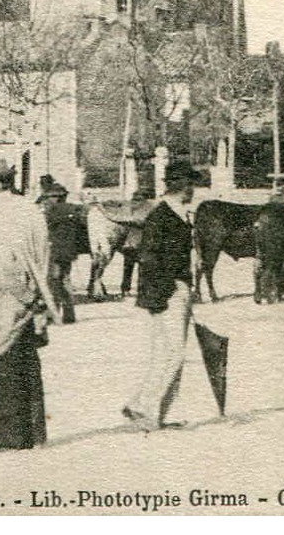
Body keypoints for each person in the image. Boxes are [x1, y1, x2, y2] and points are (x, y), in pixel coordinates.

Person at [0, 159, 59, 451]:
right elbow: (45, 252)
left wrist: (24, 296)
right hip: (34, 296)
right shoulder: (31, 208)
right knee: (29, 366)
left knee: (4, 366)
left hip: (6, 299)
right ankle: (35, 435)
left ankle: (8, 437)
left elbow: (2, 264)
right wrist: (38, 299)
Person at [122, 163, 196, 433]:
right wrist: (169, 291)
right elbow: (149, 259)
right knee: (174, 354)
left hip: (166, 291)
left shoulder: (168, 213)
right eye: (192, 184)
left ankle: (143, 406)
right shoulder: (163, 217)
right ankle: (145, 407)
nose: (194, 190)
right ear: (184, 186)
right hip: (168, 293)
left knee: (162, 354)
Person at [37, 177, 79, 324]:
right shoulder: (73, 209)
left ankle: (52, 313)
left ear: (56, 197)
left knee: (53, 281)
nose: (47, 200)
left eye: (50, 197)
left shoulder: (50, 211)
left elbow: (43, 230)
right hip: (69, 251)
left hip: (54, 251)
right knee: (65, 280)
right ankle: (69, 314)